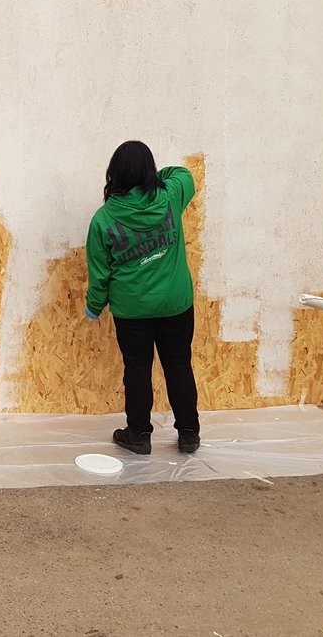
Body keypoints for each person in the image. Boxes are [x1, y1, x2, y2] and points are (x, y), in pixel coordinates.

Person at [84, 141, 200, 456]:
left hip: (132, 309)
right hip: (175, 303)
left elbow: (100, 273)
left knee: (137, 370)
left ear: (114, 173)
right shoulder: (170, 197)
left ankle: (138, 434)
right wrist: (152, 177)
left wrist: (94, 307)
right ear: (150, 171)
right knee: (179, 365)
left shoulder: (103, 219)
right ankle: (189, 433)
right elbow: (184, 175)